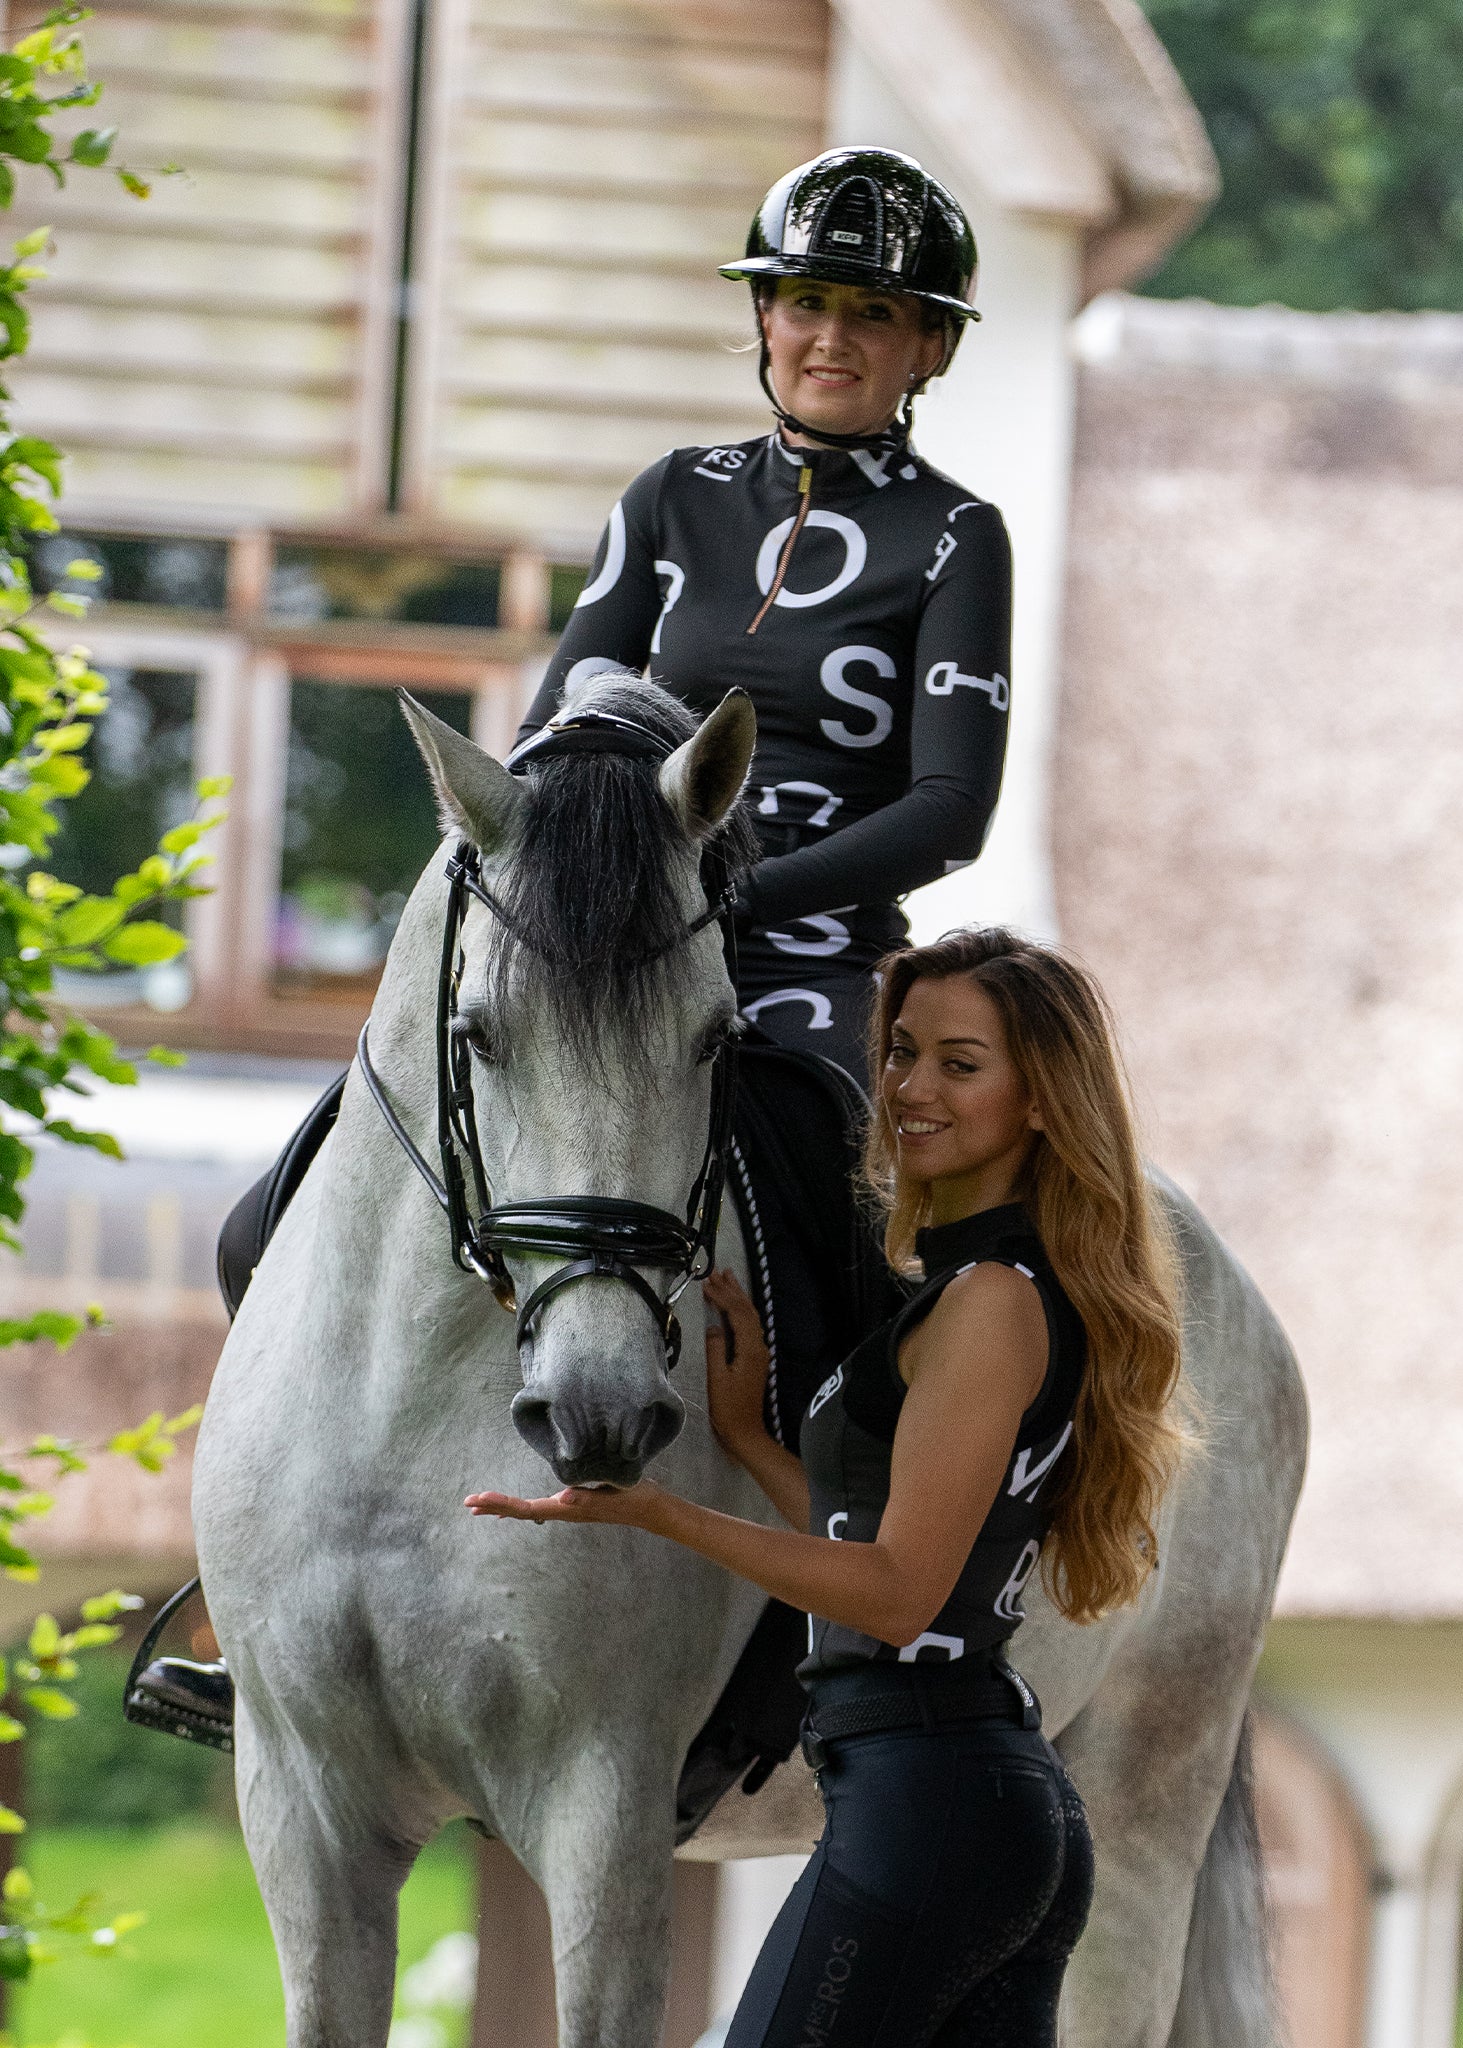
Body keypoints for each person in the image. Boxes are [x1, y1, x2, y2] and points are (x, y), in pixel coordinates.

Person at [468, 927, 1187, 2046]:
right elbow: (893, 1540)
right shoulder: (974, 1288)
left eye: (959, 1062)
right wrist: (752, 1441)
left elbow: (895, 1591)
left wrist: (661, 1510)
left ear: (1040, 1096)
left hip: (931, 1806)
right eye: (900, 1050)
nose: (907, 1086)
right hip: (969, 1802)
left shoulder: (989, 1302)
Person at [518, 146, 1012, 1080]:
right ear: (763, 315)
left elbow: (951, 812)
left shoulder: (958, 533)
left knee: (842, 1183)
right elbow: (548, 737)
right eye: (807, 302)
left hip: (812, 959)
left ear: (930, 348)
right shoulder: (669, 493)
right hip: (612, 946)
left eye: (874, 312)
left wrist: (732, 897)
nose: (832, 337)